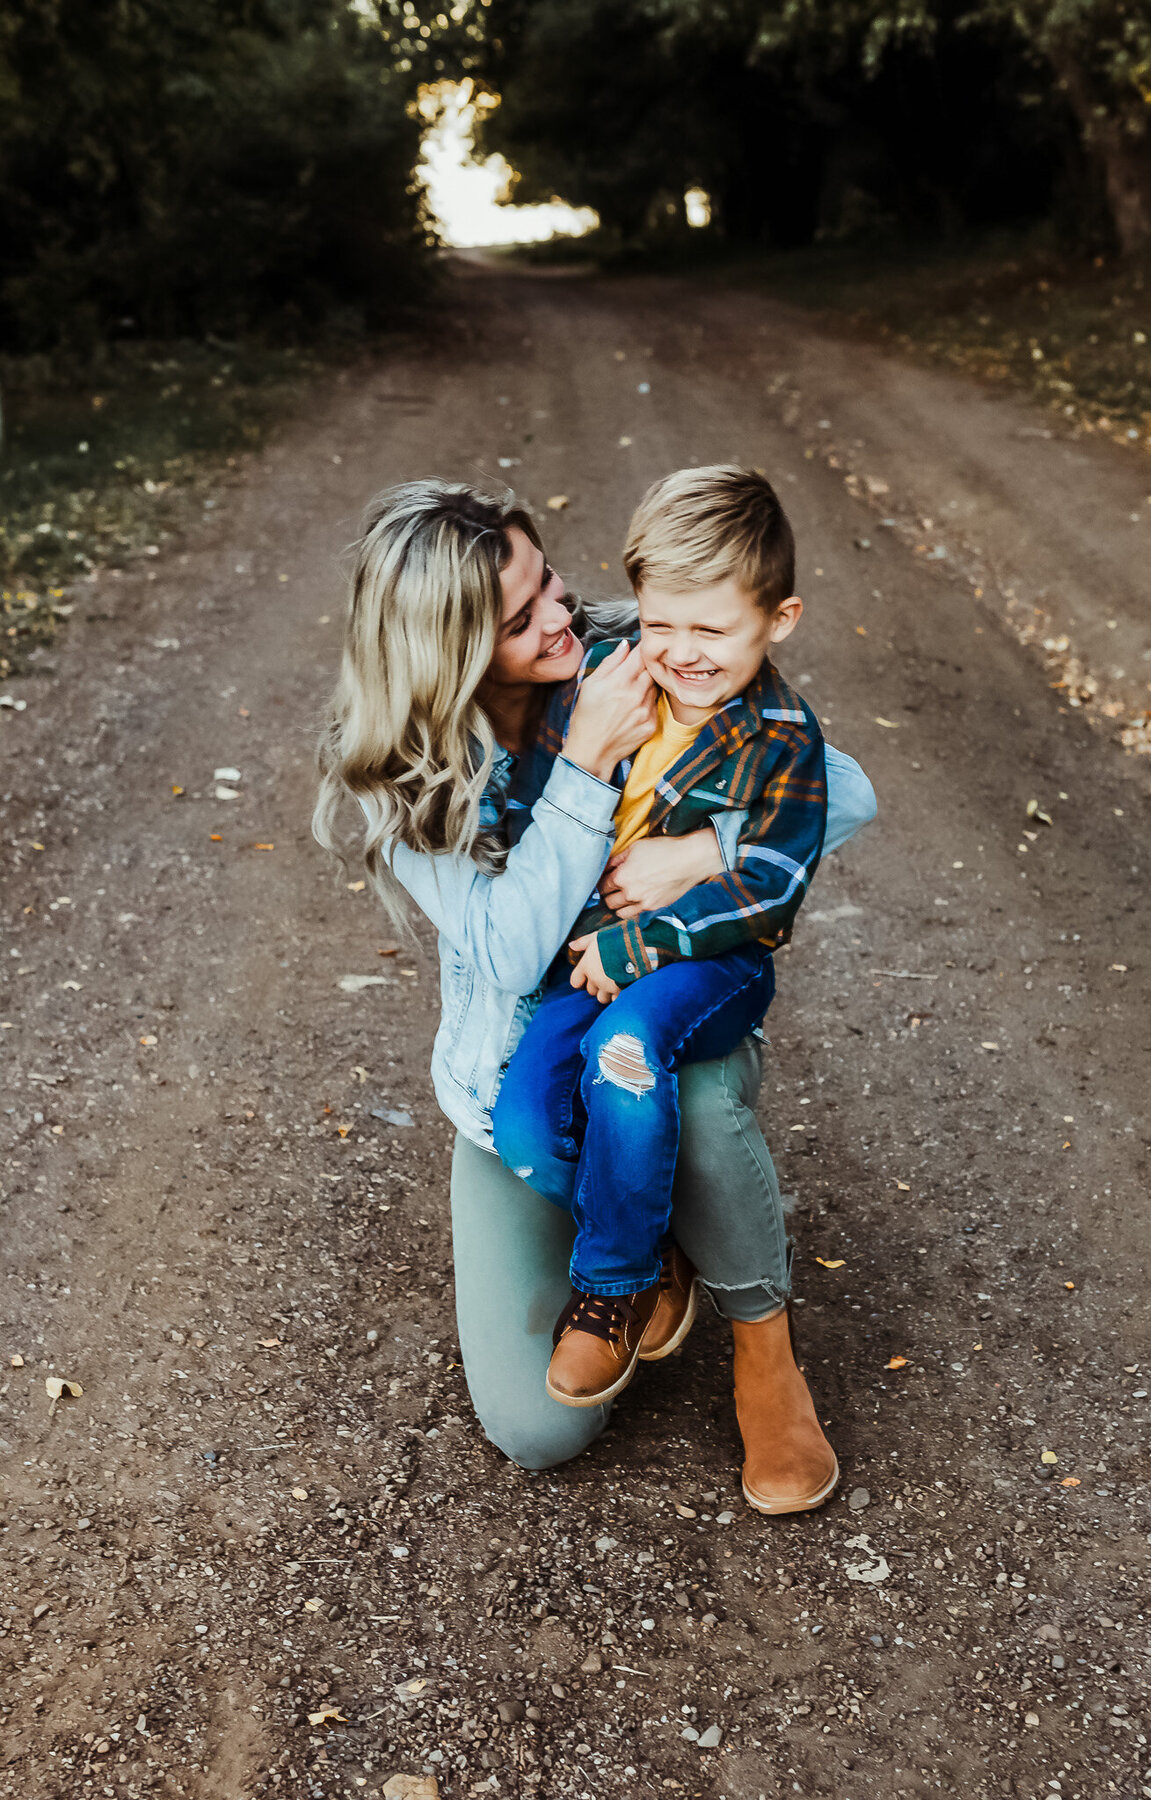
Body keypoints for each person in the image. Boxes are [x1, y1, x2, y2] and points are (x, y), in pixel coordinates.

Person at [313, 479, 876, 1510]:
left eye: (552, 585)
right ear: (452, 659)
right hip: (519, 1064)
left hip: (666, 991)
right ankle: (648, 1242)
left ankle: (766, 1352)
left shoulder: (634, 647)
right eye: (521, 623)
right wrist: (583, 767)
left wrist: (703, 849)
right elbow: (511, 954)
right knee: (537, 1432)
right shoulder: (403, 771)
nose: (562, 621)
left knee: (683, 1093)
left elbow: (846, 788)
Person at [492, 471, 831, 1474]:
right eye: (663, 623)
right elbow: (531, 804)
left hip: (704, 967)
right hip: (584, 955)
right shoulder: (606, 671)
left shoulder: (781, 739)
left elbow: (772, 891)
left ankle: (611, 1287)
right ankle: (652, 1239)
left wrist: (641, 942)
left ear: (782, 618)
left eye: (715, 632)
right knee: (521, 1120)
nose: (684, 654)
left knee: (627, 1056)